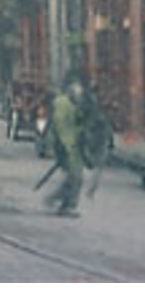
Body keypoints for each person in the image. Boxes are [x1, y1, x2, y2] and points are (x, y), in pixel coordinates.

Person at [46, 78, 88, 217]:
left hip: (72, 145)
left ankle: (60, 200)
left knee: (75, 176)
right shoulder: (64, 105)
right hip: (68, 145)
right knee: (75, 177)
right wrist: (67, 146)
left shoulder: (70, 105)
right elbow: (62, 126)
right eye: (77, 93)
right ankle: (63, 203)